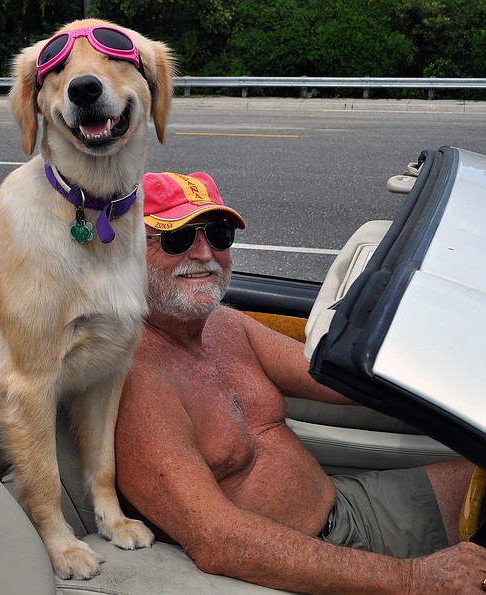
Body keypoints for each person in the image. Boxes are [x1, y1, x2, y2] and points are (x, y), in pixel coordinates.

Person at [115, 171, 486, 593]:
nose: (204, 253)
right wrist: (413, 579)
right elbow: (217, 540)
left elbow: (339, 381)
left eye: (218, 235)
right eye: (176, 239)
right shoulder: (132, 377)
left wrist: (455, 353)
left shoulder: (224, 325)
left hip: (345, 509)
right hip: (290, 569)